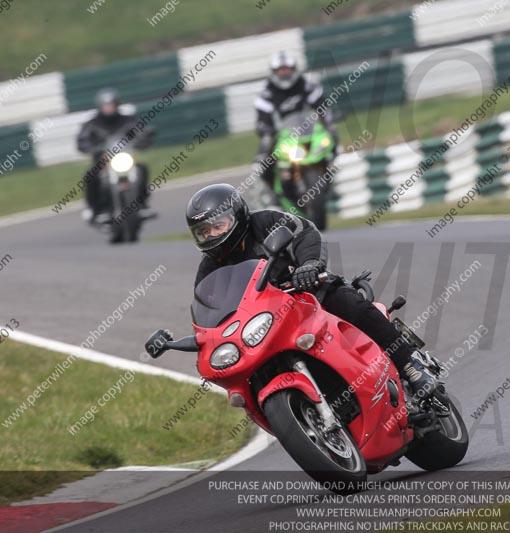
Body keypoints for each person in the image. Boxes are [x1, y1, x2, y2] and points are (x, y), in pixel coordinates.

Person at [187, 183, 436, 399]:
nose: (211, 235)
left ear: (236, 216)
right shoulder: (209, 267)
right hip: (266, 320)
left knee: (346, 302)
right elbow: (209, 305)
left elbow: (304, 232)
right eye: (203, 232)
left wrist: (309, 265)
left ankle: (410, 363)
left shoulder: (265, 222)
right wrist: (205, 339)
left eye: (217, 226)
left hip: (306, 293)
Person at [254, 51, 337, 192]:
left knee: (331, 134)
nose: (284, 73)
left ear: (293, 70)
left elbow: (322, 106)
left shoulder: (306, 86)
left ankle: (330, 165)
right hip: (282, 135)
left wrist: (328, 119)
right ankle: (270, 189)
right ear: (274, 72)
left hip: (308, 130)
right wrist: (265, 129)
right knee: (265, 153)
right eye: (281, 70)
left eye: (287, 69)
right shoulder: (266, 94)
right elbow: (262, 119)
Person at [77, 88, 155, 223]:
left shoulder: (128, 120)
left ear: (117, 104)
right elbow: (82, 140)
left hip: (125, 157)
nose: (108, 108)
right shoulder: (92, 124)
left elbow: (141, 132)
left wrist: (144, 140)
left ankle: (142, 204)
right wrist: (90, 147)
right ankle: (96, 209)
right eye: (105, 105)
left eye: (111, 105)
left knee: (142, 169)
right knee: (91, 176)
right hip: (103, 162)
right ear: (100, 106)